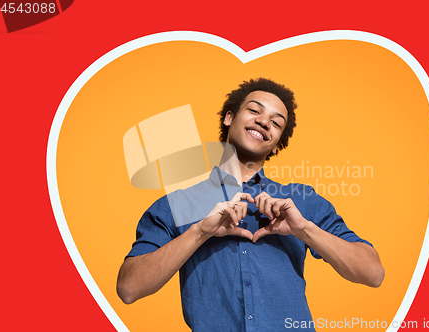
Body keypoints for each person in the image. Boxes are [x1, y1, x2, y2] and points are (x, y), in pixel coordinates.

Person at [117, 78, 385, 331]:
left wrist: (304, 229)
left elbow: (372, 273)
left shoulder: (301, 200)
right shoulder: (175, 204)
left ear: (277, 145)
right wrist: (200, 232)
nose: (264, 122)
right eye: (254, 110)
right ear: (229, 117)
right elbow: (129, 288)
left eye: (276, 123)